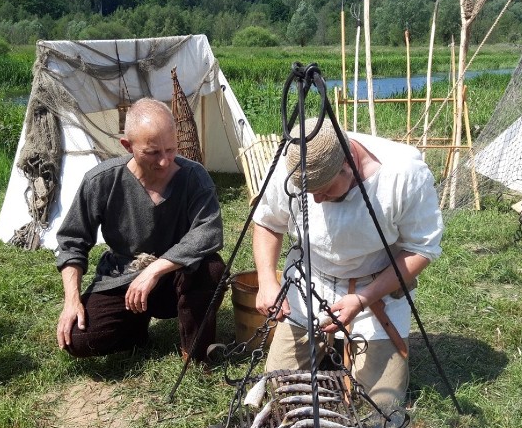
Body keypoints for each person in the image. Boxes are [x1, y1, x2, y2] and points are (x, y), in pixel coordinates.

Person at [252, 118, 443, 409]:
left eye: (326, 190)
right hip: (311, 278)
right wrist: (266, 281)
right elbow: (267, 223)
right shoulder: (290, 161)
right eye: (309, 192)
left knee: (380, 403)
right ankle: (328, 351)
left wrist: (363, 299)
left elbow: (421, 248)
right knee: (280, 387)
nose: (316, 200)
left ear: (349, 162)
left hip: (375, 285)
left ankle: (354, 349)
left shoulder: (403, 173)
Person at [55, 98, 225, 363]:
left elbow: (208, 231)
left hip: (176, 277)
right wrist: (71, 301)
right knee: (79, 339)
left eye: (170, 149)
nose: (164, 161)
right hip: (125, 276)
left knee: (211, 267)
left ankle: (195, 349)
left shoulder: (194, 177)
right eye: (153, 153)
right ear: (128, 146)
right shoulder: (101, 180)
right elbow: (72, 241)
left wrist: (155, 270)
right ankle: (134, 327)